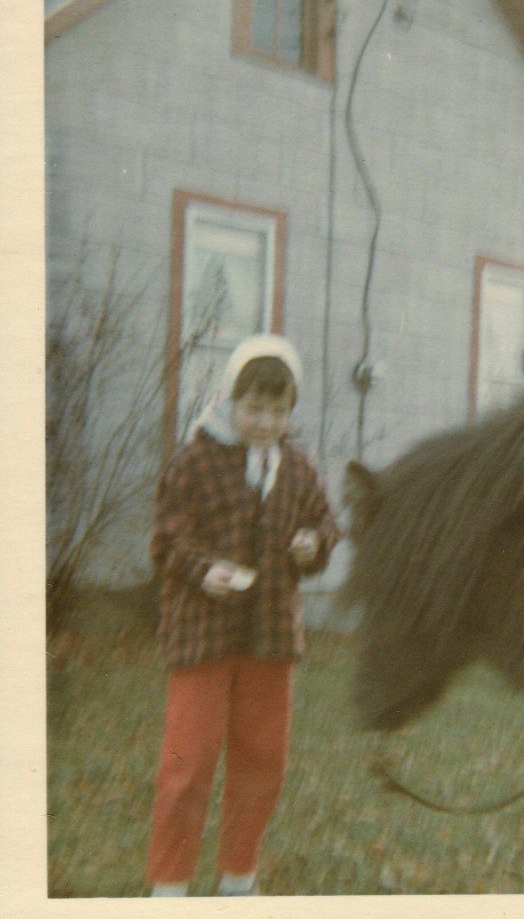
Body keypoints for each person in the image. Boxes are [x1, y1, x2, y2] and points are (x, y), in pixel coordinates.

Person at [145, 334, 342, 897]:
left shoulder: (297, 468)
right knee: (188, 761)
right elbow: (166, 540)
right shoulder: (195, 460)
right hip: (202, 636)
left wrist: (313, 543)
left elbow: (325, 523)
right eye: (254, 408)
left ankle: (238, 877)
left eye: (278, 412)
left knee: (261, 760)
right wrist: (202, 570)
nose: (265, 422)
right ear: (230, 399)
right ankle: (169, 884)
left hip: (270, 637)